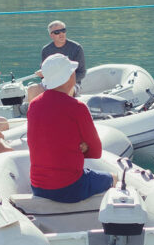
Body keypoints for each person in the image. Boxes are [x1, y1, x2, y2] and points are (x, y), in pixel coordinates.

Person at [28, 54, 114, 203]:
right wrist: (83, 147)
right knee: (115, 178)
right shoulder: (77, 108)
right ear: (70, 77)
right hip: (69, 187)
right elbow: (96, 152)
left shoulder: (34, 104)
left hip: (37, 187)